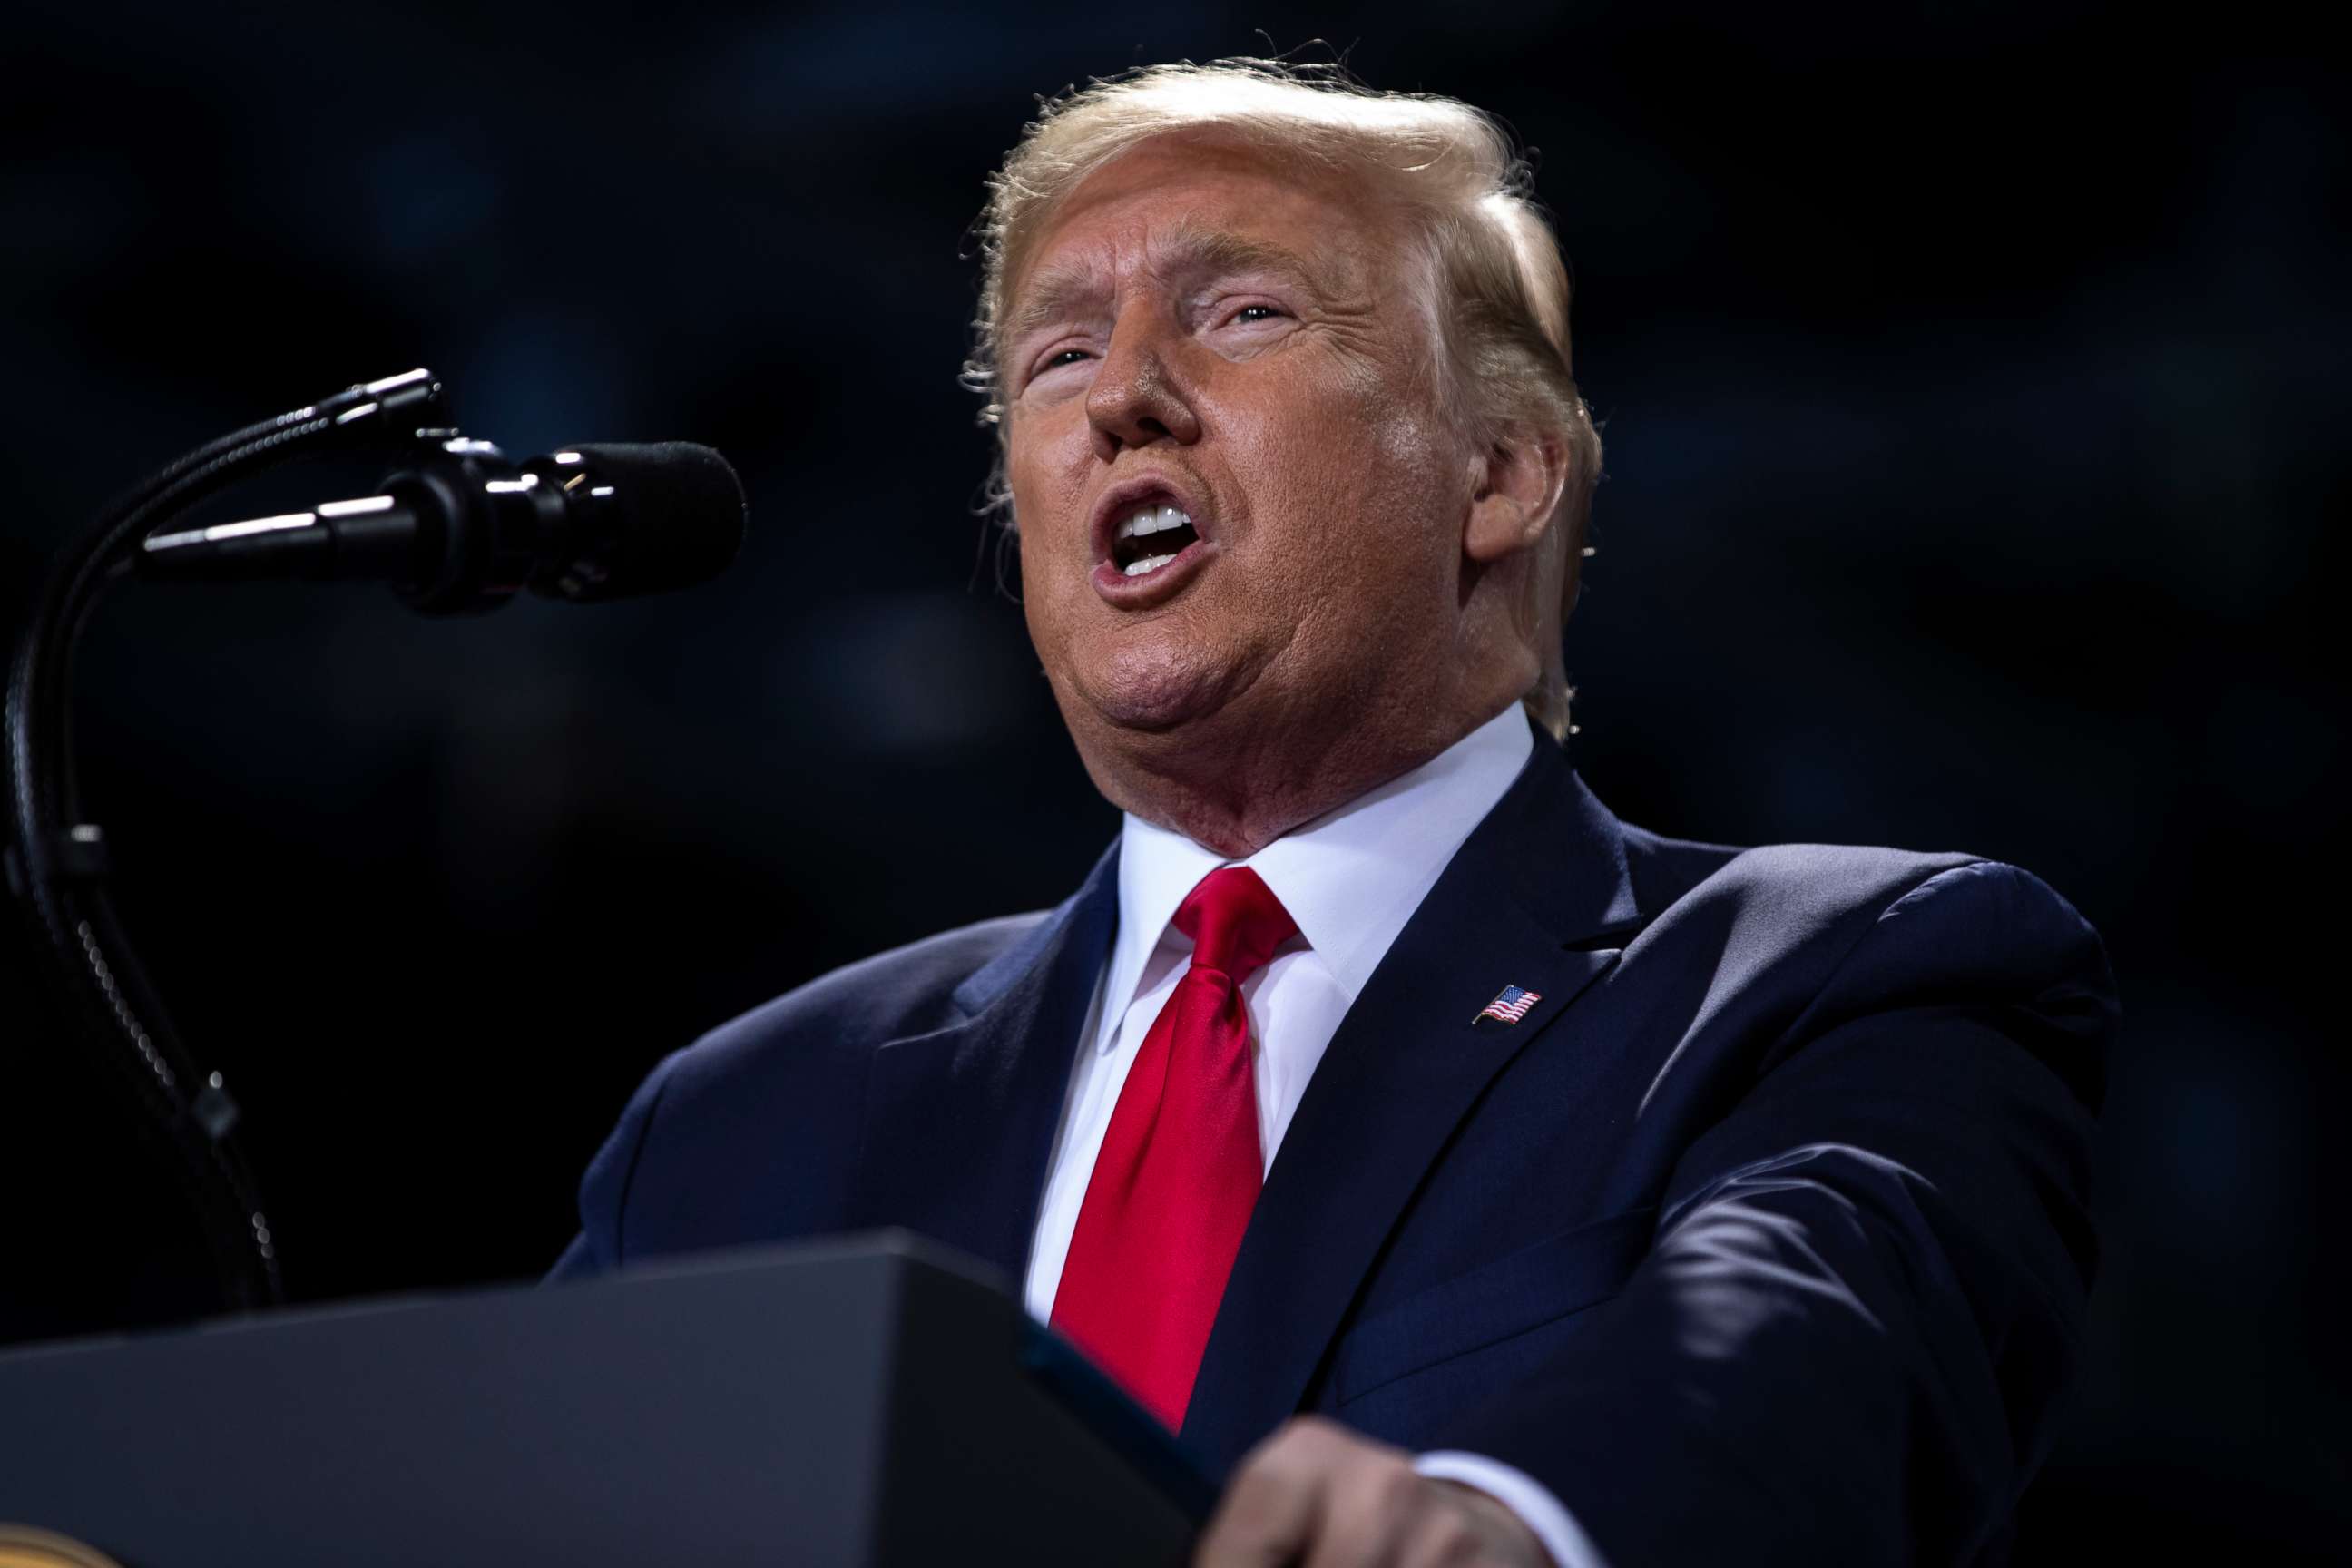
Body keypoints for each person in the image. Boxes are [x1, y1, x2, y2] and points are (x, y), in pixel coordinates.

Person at [552, 60, 2116, 1567]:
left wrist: (1515, 1518)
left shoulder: (1836, 982)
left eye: (1243, 314)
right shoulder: (736, 1129)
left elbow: (1802, 1330)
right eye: (1059, 355)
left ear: (1500, 471)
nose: (1126, 401)